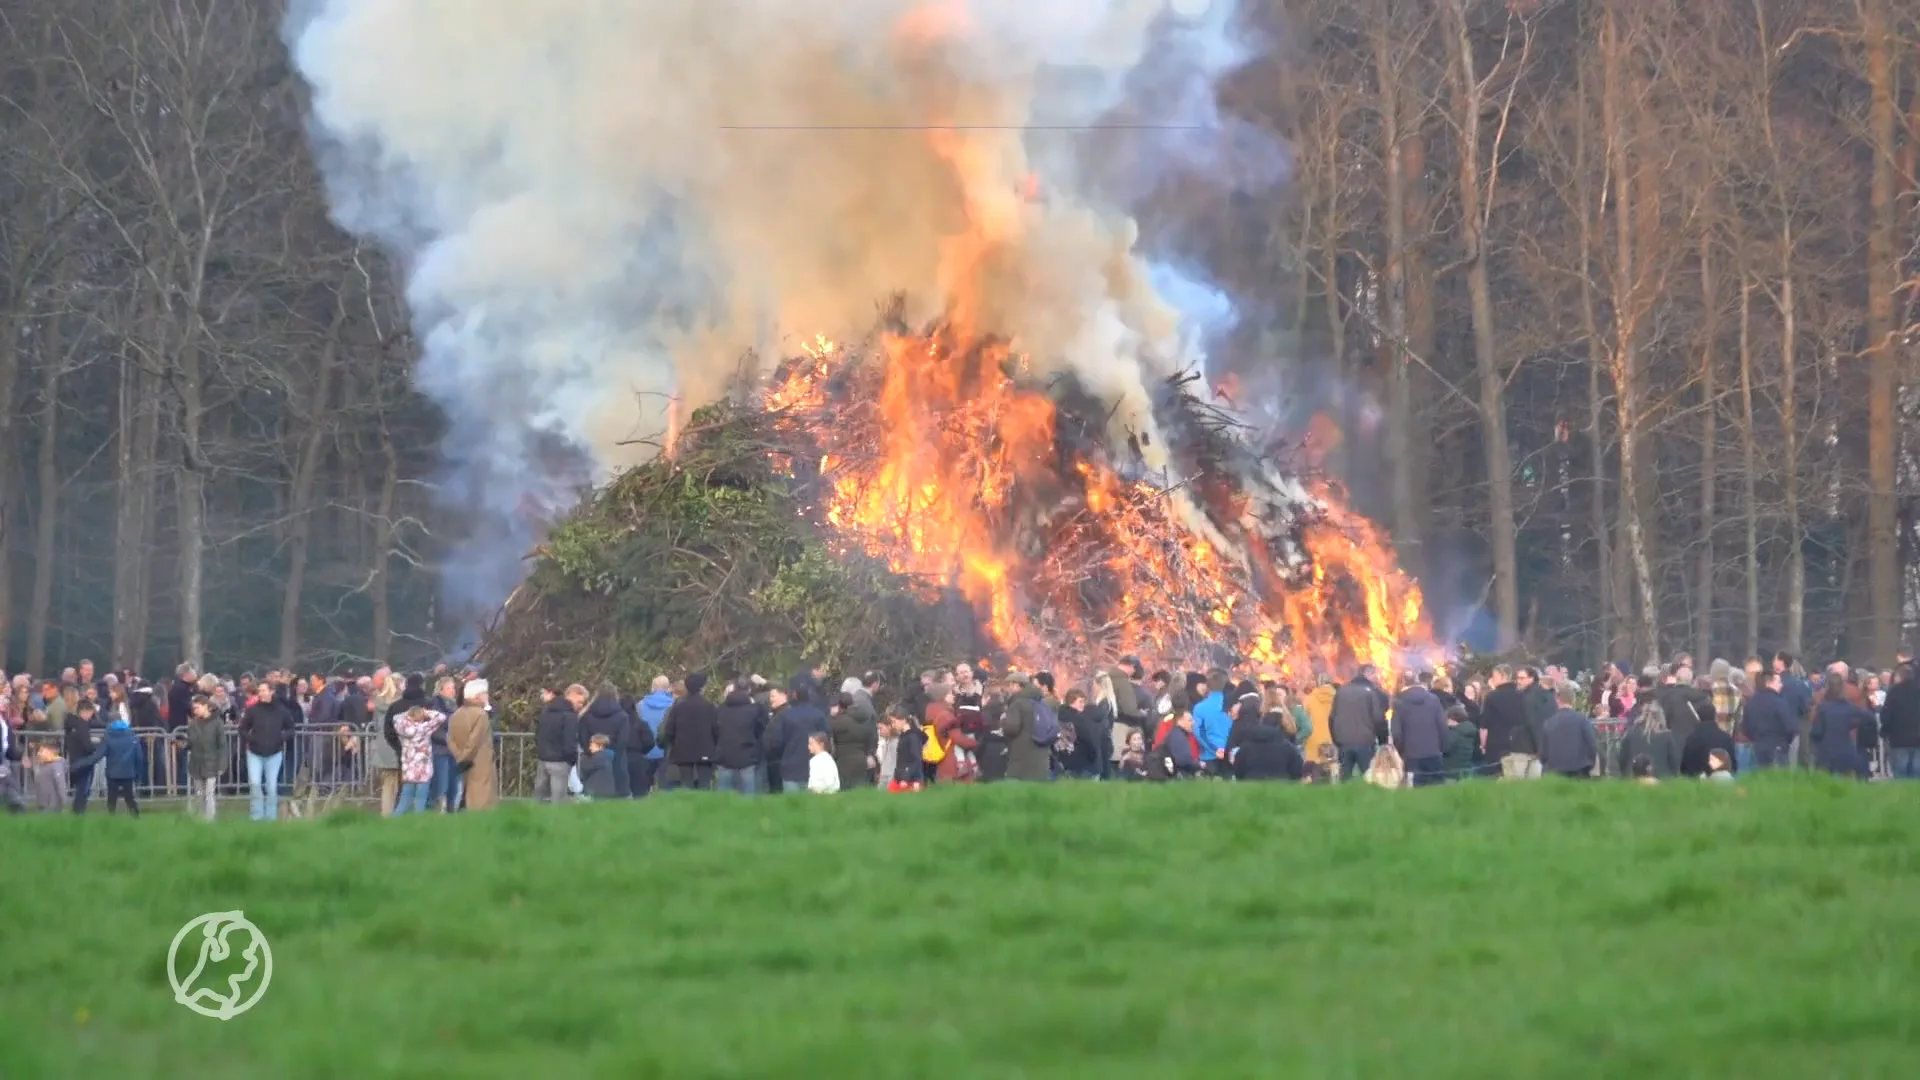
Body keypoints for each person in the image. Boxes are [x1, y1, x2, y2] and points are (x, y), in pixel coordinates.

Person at [239, 683, 293, 821]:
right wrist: (251, 739)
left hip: (274, 753)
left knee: (271, 786)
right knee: (255, 783)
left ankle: (270, 816)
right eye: (259, 691)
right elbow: (242, 728)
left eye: (263, 690)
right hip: (254, 752)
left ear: (271, 691)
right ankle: (256, 815)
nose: (261, 693)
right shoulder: (252, 710)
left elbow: (291, 728)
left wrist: (281, 738)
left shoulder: (282, 710)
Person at [1329, 665, 1389, 782]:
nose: (1376, 677)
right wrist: (1383, 740)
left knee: (1345, 780)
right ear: (1367, 674)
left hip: (1344, 742)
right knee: (1369, 778)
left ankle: (1344, 793)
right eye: (1374, 674)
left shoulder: (1341, 691)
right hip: (1365, 742)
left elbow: (1332, 718)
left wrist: (1336, 740)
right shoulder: (1371, 692)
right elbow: (1378, 718)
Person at [661, 672, 721, 790]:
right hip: (705, 752)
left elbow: (669, 731)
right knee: (704, 785)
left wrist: (674, 744)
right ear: (701, 688)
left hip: (683, 752)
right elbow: (717, 731)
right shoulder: (710, 707)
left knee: (686, 784)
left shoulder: (678, 708)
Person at [1390, 672, 1448, 786]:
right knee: (1438, 790)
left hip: (1411, 756)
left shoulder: (1399, 702)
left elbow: (1396, 733)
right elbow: (1442, 726)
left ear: (1403, 685)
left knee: (1415, 792)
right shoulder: (1434, 699)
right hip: (1434, 753)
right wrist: (1442, 748)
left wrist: (1400, 751)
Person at [579, 682, 636, 797]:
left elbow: (583, 739)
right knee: (618, 798)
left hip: (593, 760)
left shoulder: (586, 716)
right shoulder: (622, 716)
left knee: (593, 797)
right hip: (617, 762)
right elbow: (623, 740)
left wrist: (590, 751)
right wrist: (614, 753)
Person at [447, 680, 497, 809]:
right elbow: (475, 739)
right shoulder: (481, 715)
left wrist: (459, 757)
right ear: (477, 695)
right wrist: (465, 757)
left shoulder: (456, 714)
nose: (487, 696)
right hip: (480, 762)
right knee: (481, 799)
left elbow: (450, 739)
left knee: (467, 795)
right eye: (485, 693)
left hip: (463, 762)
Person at [714, 679, 769, 795]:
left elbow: (715, 731)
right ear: (749, 690)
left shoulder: (720, 709)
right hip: (747, 757)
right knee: (748, 798)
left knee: (723, 799)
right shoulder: (755, 710)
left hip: (724, 757)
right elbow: (762, 728)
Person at [1809, 679, 1872, 778]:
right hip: (1846, 751)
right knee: (1845, 781)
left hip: (1827, 751)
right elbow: (1868, 716)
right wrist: (1853, 724)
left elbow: (1817, 731)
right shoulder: (1849, 707)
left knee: (1825, 781)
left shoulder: (1823, 708)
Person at [181, 694, 228, 822]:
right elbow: (191, 742)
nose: (195, 711)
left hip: (212, 763)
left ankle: (209, 819)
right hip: (196, 764)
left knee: (209, 794)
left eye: (197, 708)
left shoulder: (217, 723)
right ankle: (201, 819)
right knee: (199, 794)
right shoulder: (193, 724)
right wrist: (183, 745)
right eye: (194, 708)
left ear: (206, 706)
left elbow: (222, 745)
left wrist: (222, 765)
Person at [999, 672, 1052, 782]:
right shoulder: (1042, 702)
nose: (1009, 688)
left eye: (1010, 685)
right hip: (1041, 758)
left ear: (1017, 685)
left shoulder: (1017, 703)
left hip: (1022, 758)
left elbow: (1012, 729)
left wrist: (1004, 721)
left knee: (1016, 790)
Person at [1539, 683, 1598, 778]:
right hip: (1580, 769)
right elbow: (1592, 744)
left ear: (1557, 700)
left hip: (1555, 770)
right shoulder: (1582, 720)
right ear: (1573, 700)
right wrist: (1591, 762)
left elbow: (1543, 752)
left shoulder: (1549, 723)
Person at [534, 687, 579, 805]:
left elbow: (538, 735)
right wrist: (571, 759)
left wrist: (540, 751)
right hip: (560, 760)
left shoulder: (545, 712)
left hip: (543, 758)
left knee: (538, 796)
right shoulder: (569, 715)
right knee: (558, 799)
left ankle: (533, 815)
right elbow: (569, 740)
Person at [1617, 700, 1681, 779]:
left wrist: (1624, 774)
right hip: (1661, 779)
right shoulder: (1667, 736)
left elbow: (1622, 759)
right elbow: (1674, 762)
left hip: (1634, 778)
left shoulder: (1630, 734)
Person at [634, 675, 675, 795]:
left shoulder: (640, 705)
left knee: (644, 790)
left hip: (646, 752)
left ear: (652, 687)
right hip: (666, 752)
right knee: (665, 789)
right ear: (668, 688)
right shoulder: (673, 705)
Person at [101, 715, 145, 815]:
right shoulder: (132, 736)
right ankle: (135, 816)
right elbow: (139, 757)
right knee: (129, 797)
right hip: (128, 772)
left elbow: (101, 753)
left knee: (112, 798)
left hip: (112, 772)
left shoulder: (108, 736)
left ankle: (111, 817)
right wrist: (138, 774)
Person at [1680, 708, 1738, 780]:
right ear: (1715, 717)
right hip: (1722, 781)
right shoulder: (1726, 738)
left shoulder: (1692, 739)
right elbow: (1733, 764)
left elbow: (1684, 767)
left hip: (1697, 782)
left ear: (1698, 718)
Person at [1441, 703, 1478, 781]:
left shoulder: (1454, 733)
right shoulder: (1470, 730)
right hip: (1466, 768)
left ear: (1452, 718)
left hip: (1452, 771)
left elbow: (1445, 749)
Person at [577, 734, 619, 799]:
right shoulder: (607, 757)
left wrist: (582, 758)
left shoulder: (597, 758)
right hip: (607, 791)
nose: (590, 748)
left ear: (601, 746)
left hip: (596, 791)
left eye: (592, 745)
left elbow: (584, 768)